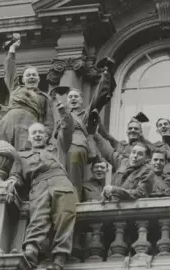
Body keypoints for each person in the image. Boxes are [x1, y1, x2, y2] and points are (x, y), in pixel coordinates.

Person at [5, 102, 77, 270]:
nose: (37, 135)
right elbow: (16, 175)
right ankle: (31, 250)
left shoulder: (57, 148)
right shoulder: (20, 156)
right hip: (38, 185)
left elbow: (67, 131)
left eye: (40, 133)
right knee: (39, 216)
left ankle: (59, 258)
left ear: (46, 136)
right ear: (29, 138)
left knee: (65, 217)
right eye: (34, 133)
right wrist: (11, 182)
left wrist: (63, 112)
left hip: (61, 182)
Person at [59, 60, 116, 200]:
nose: (73, 99)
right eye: (70, 97)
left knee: (74, 175)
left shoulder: (85, 113)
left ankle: (74, 201)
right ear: (67, 101)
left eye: (76, 97)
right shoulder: (61, 113)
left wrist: (106, 75)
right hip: (60, 146)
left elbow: (99, 97)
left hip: (76, 143)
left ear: (81, 101)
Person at [0, 37, 54, 151]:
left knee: (24, 155)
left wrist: (42, 138)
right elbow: (10, 70)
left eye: (34, 75)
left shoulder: (44, 97)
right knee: (1, 152)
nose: (31, 77)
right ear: (23, 80)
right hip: (8, 123)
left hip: (28, 125)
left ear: (38, 79)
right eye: (28, 75)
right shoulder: (16, 88)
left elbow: (49, 122)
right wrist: (12, 49)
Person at [93, 133, 154, 201]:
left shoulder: (147, 171)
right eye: (133, 152)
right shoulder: (123, 162)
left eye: (140, 154)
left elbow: (140, 193)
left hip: (130, 210)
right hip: (113, 206)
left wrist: (115, 190)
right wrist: (95, 134)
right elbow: (108, 152)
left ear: (147, 159)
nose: (135, 156)